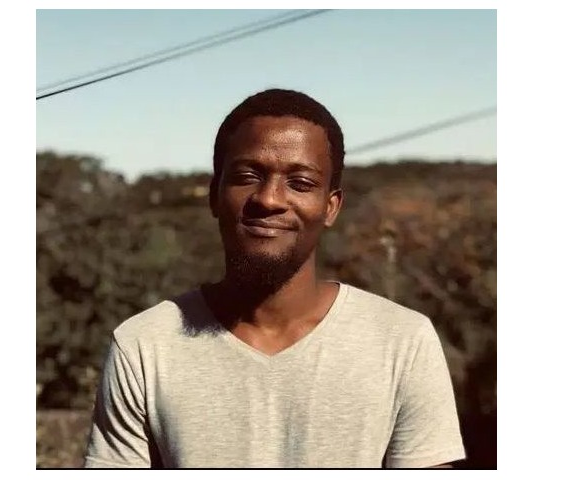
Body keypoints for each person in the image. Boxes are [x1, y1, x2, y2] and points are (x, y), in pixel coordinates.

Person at [84, 88, 466, 468]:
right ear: (215, 195)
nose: (269, 199)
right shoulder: (143, 346)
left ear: (330, 207)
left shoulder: (402, 341)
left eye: (300, 183)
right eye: (247, 176)